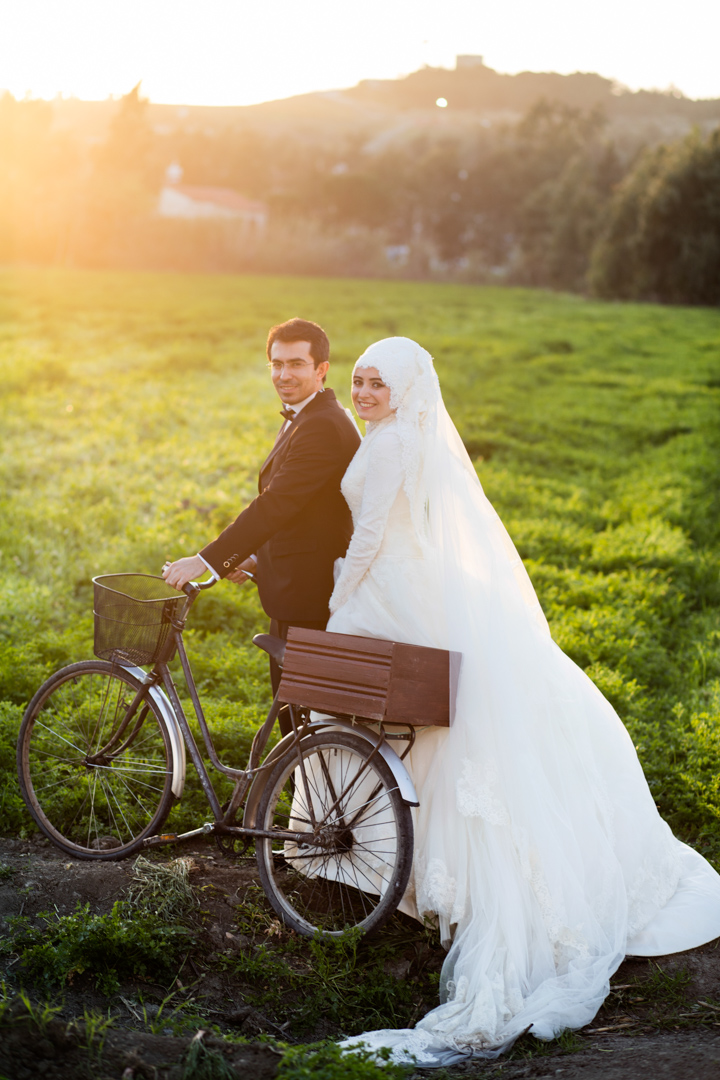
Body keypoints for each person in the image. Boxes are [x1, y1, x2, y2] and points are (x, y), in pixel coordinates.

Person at [326, 337, 720, 1066]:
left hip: (386, 591)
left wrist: (340, 600)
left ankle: (374, 857)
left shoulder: (387, 447)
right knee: (444, 727)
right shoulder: (410, 437)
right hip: (420, 590)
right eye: (358, 380)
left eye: (377, 382)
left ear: (407, 387)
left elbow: (376, 533)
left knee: (378, 704)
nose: (364, 392)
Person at [163, 318, 361, 716]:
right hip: (296, 585)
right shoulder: (309, 415)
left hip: (310, 595)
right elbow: (303, 513)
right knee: (298, 722)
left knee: (303, 725)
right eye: (276, 364)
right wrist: (251, 559)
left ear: (321, 369)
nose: (283, 374)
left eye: (296, 364)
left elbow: (276, 505)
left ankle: (301, 780)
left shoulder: (321, 425)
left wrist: (206, 560)